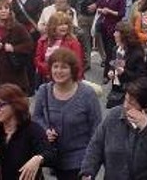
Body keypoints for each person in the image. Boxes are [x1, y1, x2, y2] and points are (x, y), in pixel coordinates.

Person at [80, 78, 147, 180]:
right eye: (125, 99)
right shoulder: (114, 116)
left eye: (131, 103)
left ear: (146, 106)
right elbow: (96, 146)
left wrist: (146, 128)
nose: (125, 106)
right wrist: (87, 171)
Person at [33, 49, 102, 180]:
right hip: (55, 158)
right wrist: (45, 130)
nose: (58, 71)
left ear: (73, 70)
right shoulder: (44, 91)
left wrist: (91, 165)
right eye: (55, 66)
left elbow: (97, 130)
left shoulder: (87, 94)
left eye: (64, 67)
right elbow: (36, 118)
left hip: (80, 160)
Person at [0, 83, 56, 179]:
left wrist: (38, 158)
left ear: (15, 105)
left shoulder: (32, 130)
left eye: (0, 105)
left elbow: (50, 155)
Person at [0, 0, 34, 94]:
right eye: (0, 8)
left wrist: (14, 48)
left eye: (6, 8)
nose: (3, 11)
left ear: (10, 11)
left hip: (14, 72)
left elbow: (29, 45)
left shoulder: (18, 27)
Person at [106, 21, 147, 108]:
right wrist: (111, 71)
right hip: (116, 89)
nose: (114, 34)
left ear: (124, 35)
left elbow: (140, 76)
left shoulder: (137, 53)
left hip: (129, 92)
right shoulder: (115, 49)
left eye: (116, 32)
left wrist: (124, 72)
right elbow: (113, 64)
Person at [35, 12, 84, 82]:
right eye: (60, 24)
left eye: (66, 24)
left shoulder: (73, 43)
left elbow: (78, 64)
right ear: (53, 26)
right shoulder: (42, 41)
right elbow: (37, 60)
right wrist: (50, 70)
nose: (64, 26)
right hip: (46, 79)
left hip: (67, 80)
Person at [95, 0, 126, 83]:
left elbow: (121, 14)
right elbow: (99, 5)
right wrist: (99, 9)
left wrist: (110, 11)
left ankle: (107, 74)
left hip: (113, 27)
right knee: (105, 48)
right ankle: (109, 70)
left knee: (110, 51)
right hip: (103, 26)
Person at [75, 0, 105, 70]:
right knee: (85, 38)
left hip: (97, 14)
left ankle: (104, 58)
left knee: (99, 37)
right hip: (83, 15)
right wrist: (79, 11)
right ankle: (87, 61)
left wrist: (96, 5)